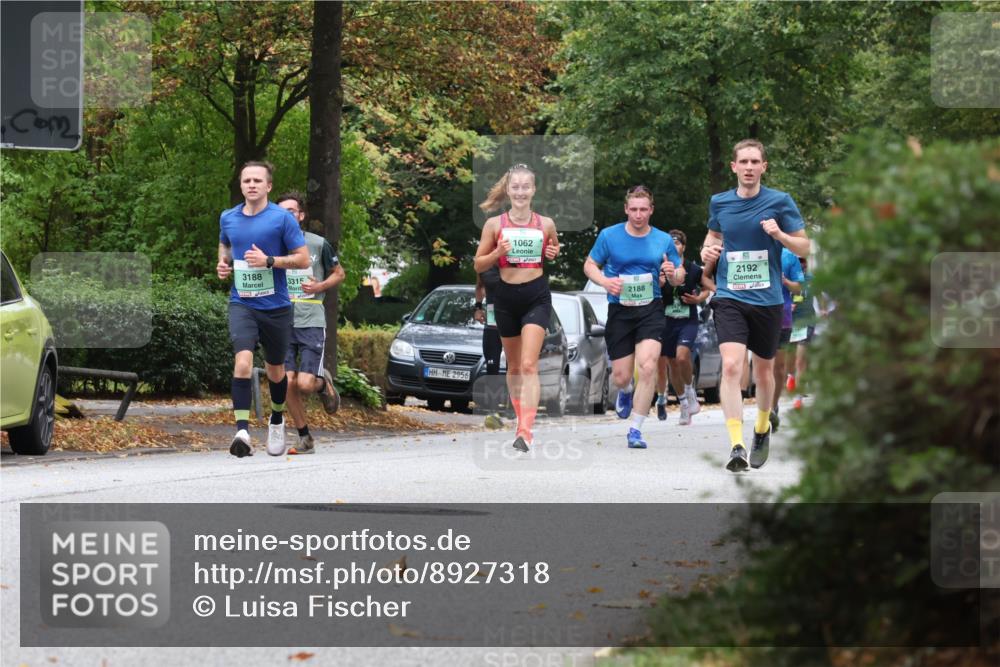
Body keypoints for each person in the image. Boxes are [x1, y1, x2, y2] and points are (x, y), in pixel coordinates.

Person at [700, 140, 810, 472]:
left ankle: (762, 427)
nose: (749, 167)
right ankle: (737, 445)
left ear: (764, 166)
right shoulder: (720, 202)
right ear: (734, 167)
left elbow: (805, 247)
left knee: (763, 371)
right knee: (732, 366)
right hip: (730, 297)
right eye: (744, 162)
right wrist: (706, 252)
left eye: (755, 162)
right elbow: (712, 238)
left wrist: (780, 236)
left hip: (768, 300)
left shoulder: (780, 201)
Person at [216, 162, 309, 458]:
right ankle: (242, 432)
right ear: (241, 185)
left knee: (275, 371)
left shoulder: (282, 219)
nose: (252, 185)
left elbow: (303, 259)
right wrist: (223, 263)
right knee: (242, 363)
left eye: (257, 180)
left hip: (276, 307)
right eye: (247, 181)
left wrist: (269, 261)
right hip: (242, 303)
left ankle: (277, 418)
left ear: (268, 186)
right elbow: (225, 244)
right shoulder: (228, 217)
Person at [583, 186, 685, 449]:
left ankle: (636, 429)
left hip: (651, 309)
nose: (638, 215)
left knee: (648, 366)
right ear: (626, 209)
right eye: (634, 209)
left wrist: (672, 273)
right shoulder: (609, 236)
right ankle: (626, 391)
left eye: (643, 210)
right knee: (620, 377)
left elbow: (679, 276)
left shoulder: (663, 240)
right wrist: (605, 282)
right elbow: (589, 265)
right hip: (620, 311)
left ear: (651, 210)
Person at [474, 164, 560, 453]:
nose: (521, 192)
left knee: (528, 364)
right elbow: (478, 264)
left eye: (526, 187)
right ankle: (521, 420)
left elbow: (553, 249)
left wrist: (553, 251)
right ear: (508, 190)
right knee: (513, 367)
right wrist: (497, 253)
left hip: (536, 296)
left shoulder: (545, 223)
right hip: (505, 298)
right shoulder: (494, 225)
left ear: (533, 190)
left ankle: (526, 429)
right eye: (516, 187)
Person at [275, 192, 345, 455]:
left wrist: (319, 286)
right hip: (281, 322)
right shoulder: (272, 246)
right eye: (281, 212)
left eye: (291, 211)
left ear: (301, 215)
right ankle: (304, 437)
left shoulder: (318, 244)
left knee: (304, 384)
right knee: (286, 382)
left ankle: (323, 383)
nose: (286, 216)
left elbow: (339, 273)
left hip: (311, 320)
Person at [655, 229, 714, 425]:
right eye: (670, 244)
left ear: (683, 247)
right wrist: (659, 284)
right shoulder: (661, 268)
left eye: (677, 243)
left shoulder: (693, 269)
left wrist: (698, 299)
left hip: (687, 320)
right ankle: (684, 405)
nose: (674, 246)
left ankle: (690, 391)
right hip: (666, 321)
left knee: (682, 356)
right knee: (672, 363)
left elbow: (706, 288)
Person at [768, 247, 804, 432]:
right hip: (760, 315)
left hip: (783, 316)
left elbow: (798, 286)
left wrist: (785, 281)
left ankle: (773, 406)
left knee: (779, 367)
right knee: (763, 364)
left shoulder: (789, 256)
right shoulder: (756, 249)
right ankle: (765, 408)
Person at [474, 266, 505, 429]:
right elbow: (480, 286)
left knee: (514, 366)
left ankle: (515, 409)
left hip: (513, 320)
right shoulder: (484, 264)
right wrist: (478, 308)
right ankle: (493, 412)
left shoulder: (514, 260)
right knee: (492, 367)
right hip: (492, 322)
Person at [788, 255, 816, 409]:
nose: (801, 264)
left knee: (800, 360)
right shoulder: (786, 277)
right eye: (798, 261)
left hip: (807, 321)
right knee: (789, 359)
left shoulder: (811, 279)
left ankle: (798, 398)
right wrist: (788, 306)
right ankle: (791, 376)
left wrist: (824, 308)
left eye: (803, 261)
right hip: (789, 322)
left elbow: (821, 295)